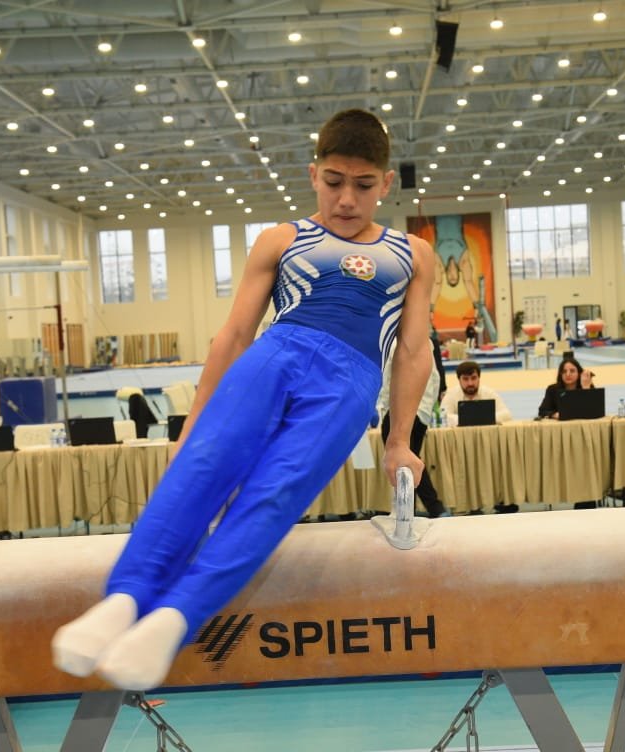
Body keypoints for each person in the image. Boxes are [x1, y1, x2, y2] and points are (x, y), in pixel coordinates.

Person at [52, 109, 434, 692]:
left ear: (385, 183)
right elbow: (232, 334)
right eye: (334, 182)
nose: (347, 200)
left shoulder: (413, 255)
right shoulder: (283, 239)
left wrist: (399, 441)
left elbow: (411, 354)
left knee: (272, 496)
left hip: (350, 384)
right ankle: (125, 600)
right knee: (201, 469)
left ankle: (174, 618)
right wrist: (194, 423)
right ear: (313, 175)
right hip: (275, 353)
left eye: (363, 185)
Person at [377, 337, 448, 518]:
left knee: (403, 463)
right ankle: (421, 508)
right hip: (420, 414)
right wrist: (426, 411)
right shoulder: (426, 344)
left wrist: (385, 409)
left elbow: (387, 381)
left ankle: (424, 509)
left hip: (398, 414)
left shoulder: (393, 345)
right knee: (411, 461)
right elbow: (435, 379)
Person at [441, 360, 512, 424]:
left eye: (473, 378)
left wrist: (478, 418)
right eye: (465, 379)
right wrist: (473, 419)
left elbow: (507, 415)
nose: (470, 383)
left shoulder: (489, 393)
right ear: (459, 380)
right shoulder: (451, 395)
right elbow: (443, 417)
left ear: (479, 378)